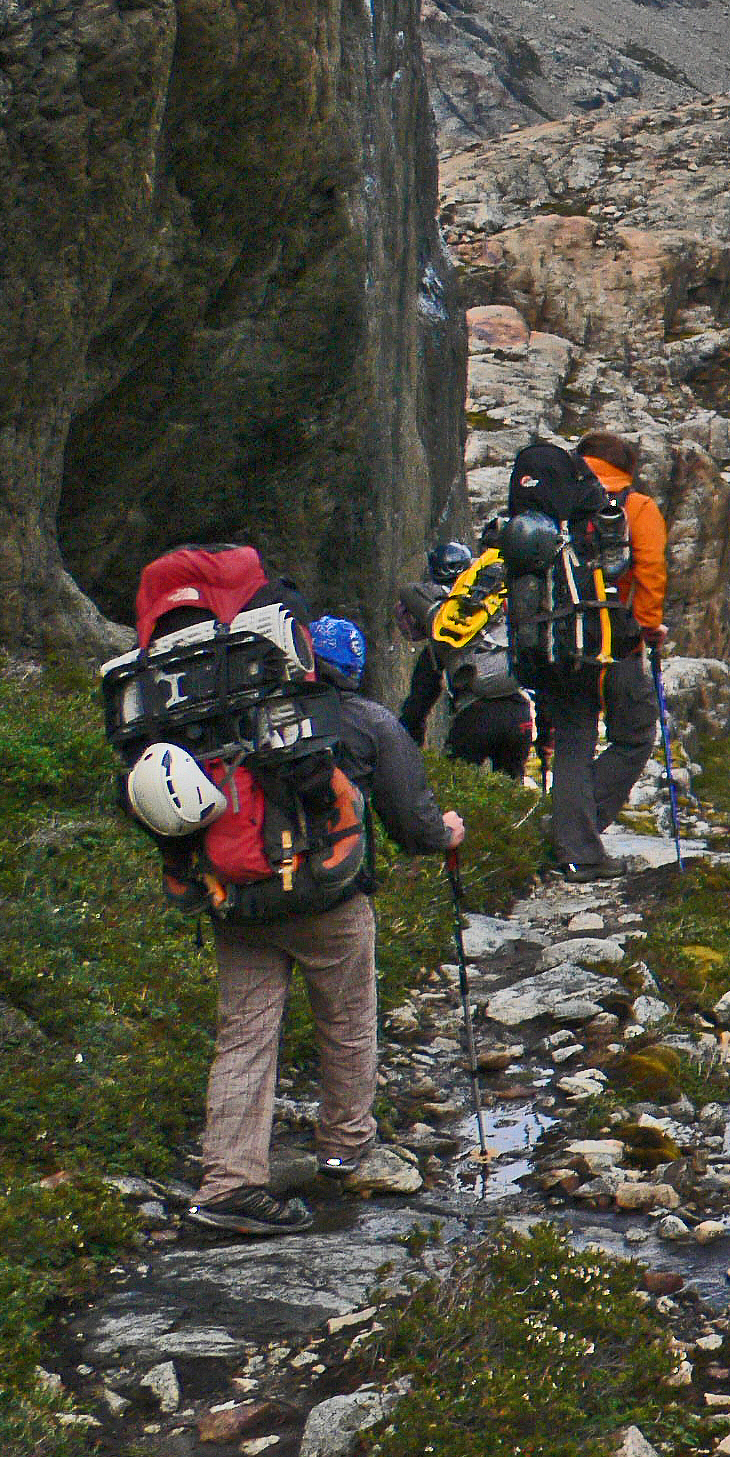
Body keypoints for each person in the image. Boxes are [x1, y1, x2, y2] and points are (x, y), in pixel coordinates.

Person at [129, 586, 464, 1237]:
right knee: (346, 1020)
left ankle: (229, 1182)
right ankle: (344, 1148)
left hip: (237, 900)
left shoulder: (221, 719)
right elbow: (414, 824)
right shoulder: (366, 722)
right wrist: (448, 832)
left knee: (245, 1037)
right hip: (328, 903)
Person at [538, 432, 670, 880]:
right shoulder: (637, 508)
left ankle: (571, 836)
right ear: (627, 467)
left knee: (574, 737)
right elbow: (649, 571)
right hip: (616, 642)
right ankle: (576, 836)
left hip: (557, 641)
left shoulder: (555, 501)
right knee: (633, 735)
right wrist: (649, 626)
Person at [397, 537, 535, 782]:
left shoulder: (445, 635)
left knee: (454, 789)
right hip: (520, 713)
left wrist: (408, 749)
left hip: (475, 717)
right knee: (511, 793)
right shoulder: (499, 609)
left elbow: (418, 704)